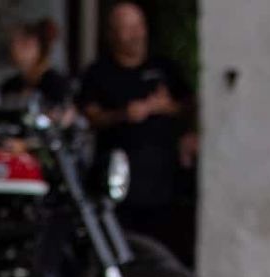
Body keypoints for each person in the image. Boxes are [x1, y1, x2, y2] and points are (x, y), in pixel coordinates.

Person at [77, 2, 196, 259]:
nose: (134, 34)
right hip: (121, 180)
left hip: (165, 177)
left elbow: (190, 105)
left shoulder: (164, 67)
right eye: (126, 28)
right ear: (112, 34)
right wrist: (123, 114)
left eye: (137, 26)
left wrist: (166, 107)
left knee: (167, 244)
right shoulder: (99, 72)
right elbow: (89, 116)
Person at [0, 18, 73, 117]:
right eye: (13, 43)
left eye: (24, 44)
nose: (14, 48)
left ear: (39, 47)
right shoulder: (10, 85)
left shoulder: (56, 84)